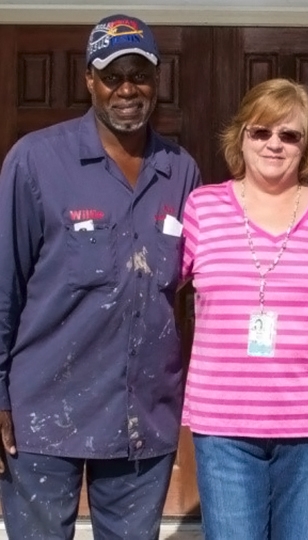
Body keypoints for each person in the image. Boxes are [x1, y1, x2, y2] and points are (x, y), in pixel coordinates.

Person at [0, 13, 200, 540]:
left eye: (140, 75)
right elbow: (4, 286)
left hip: (144, 415)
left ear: (158, 80)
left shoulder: (181, 170)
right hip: (42, 411)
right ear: (90, 79)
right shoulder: (36, 161)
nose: (127, 89)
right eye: (113, 75)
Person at [180, 78, 308, 539]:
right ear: (240, 136)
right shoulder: (202, 208)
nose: (274, 144)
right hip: (223, 422)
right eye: (261, 131)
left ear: (307, 147)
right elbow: (151, 291)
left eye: (290, 135)